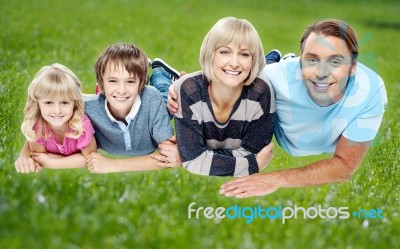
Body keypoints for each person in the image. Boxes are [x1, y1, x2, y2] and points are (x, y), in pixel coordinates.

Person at [168, 19, 387, 197]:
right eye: (311, 60)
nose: (321, 72)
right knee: (260, 74)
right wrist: (180, 86)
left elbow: (344, 167)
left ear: (353, 67)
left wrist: (276, 179)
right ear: (300, 61)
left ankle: (272, 58)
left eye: (335, 62)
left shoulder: (370, 91)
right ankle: (273, 59)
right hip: (275, 80)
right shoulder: (271, 81)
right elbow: (226, 75)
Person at [16, 43, 181, 173]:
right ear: (100, 85)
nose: (121, 90)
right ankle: (141, 70)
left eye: (130, 81)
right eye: (112, 81)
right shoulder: (84, 106)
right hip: (132, 97)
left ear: (140, 85)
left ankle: (160, 73)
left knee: (165, 101)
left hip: (154, 104)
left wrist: (113, 165)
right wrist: (25, 155)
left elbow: (167, 158)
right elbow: (45, 115)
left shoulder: (151, 100)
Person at [173, 17, 275, 177]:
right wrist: (252, 165)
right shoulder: (189, 89)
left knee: (268, 69)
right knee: (165, 89)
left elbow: (253, 150)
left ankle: (272, 59)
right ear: (210, 54)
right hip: (183, 85)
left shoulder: (261, 92)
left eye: (244, 54)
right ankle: (160, 71)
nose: (234, 62)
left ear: (253, 59)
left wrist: (205, 158)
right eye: (225, 52)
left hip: (261, 77)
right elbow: (192, 160)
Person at [14, 63, 97, 173]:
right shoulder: (37, 127)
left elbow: (90, 159)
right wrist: (74, 159)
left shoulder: (81, 124)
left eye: (64, 102)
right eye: (49, 102)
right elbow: (39, 157)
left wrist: (52, 162)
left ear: (74, 103)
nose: (57, 111)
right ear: (38, 104)